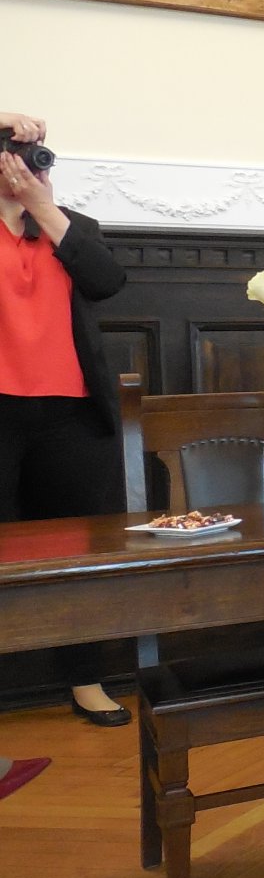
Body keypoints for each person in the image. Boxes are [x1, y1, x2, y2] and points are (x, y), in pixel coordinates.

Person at [0, 110, 132, 730]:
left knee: (79, 552)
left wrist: (43, 208)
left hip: (71, 415)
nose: (21, 164)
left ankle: (86, 678)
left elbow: (107, 280)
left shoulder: (68, 226)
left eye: (30, 154)